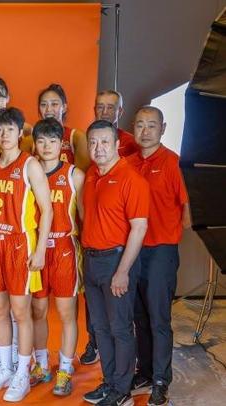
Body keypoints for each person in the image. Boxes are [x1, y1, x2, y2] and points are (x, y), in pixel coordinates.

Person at [0, 107, 52, 402]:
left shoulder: (30, 165)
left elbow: (47, 209)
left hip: (19, 244)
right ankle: (6, 367)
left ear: (21, 132)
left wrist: (40, 249)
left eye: (10, 129)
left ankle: (23, 371)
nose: (4, 134)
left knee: (21, 312)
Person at [81, 120, 149, 406]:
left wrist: (123, 271)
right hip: (91, 260)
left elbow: (139, 228)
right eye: (93, 142)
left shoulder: (131, 179)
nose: (98, 148)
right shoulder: (91, 175)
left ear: (117, 144)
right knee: (100, 327)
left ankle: (122, 390)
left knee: (120, 328)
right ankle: (109, 382)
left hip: (116, 261)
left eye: (105, 142)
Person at [128, 106, 190, 406]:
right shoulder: (127, 164)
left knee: (158, 318)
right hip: (132, 251)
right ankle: (145, 372)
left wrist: (171, 229)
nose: (145, 131)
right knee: (139, 317)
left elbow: (187, 208)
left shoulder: (173, 163)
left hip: (160, 252)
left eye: (151, 125)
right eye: (140, 125)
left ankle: (161, 379)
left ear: (163, 129)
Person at [30, 118, 85, 396]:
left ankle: (64, 368)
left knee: (66, 313)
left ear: (61, 144)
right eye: (41, 141)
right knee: (37, 311)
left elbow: (85, 217)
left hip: (64, 248)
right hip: (37, 248)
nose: (47, 146)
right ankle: (41, 365)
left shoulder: (74, 175)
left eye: (52, 140)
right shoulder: (29, 171)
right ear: (35, 144)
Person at [28, 84, 90, 170]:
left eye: (54, 104)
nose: (48, 109)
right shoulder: (29, 141)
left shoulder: (77, 138)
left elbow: (81, 174)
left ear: (64, 107)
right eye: (43, 104)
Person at [94, 90, 140, 158]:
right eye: (100, 107)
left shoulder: (131, 142)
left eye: (110, 107)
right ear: (95, 110)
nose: (104, 112)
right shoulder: (85, 141)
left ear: (120, 112)